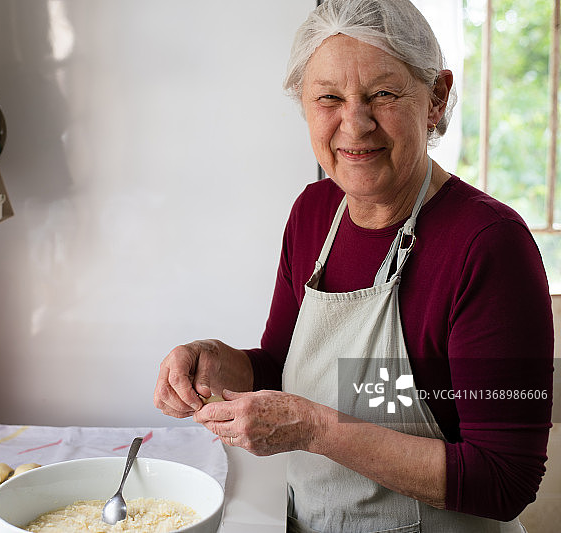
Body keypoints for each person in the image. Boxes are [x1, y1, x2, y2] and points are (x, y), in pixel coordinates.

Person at [153, 0, 554, 531]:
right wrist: (212, 361)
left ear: (436, 98)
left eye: (383, 94)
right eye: (329, 98)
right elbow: (281, 365)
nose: (355, 124)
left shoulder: (488, 245)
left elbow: (505, 480)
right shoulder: (314, 212)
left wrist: (314, 430)